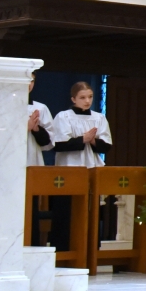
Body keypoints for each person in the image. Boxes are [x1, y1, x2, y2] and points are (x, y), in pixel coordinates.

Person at [48, 82, 111, 252]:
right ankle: (64, 249)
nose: (87, 101)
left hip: (91, 168)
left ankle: (90, 248)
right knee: (66, 210)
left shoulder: (99, 118)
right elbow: (58, 144)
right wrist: (82, 139)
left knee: (91, 210)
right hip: (69, 169)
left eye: (90, 97)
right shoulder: (64, 116)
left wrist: (93, 141)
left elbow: (106, 146)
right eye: (82, 97)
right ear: (73, 99)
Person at [26, 74, 54, 167]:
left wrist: (36, 129)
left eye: (32, 80)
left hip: (31, 159)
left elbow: (47, 142)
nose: (29, 84)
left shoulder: (40, 108)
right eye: (26, 80)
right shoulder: (2, 107)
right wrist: (25, 128)